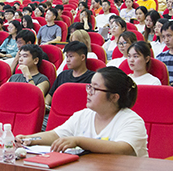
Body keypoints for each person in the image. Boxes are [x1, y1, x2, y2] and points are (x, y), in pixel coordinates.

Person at [16, 67, 148, 157]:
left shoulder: (131, 120)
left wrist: (79, 141)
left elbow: (122, 149)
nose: (88, 92)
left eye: (95, 89)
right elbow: (56, 136)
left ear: (114, 97)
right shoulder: (83, 115)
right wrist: (29, 139)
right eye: (89, 86)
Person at [46, 41, 95, 106]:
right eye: (67, 56)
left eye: (71, 56)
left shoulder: (93, 78)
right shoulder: (63, 75)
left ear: (83, 57)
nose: (67, 60)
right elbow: (50, 95)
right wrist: (46, 104)